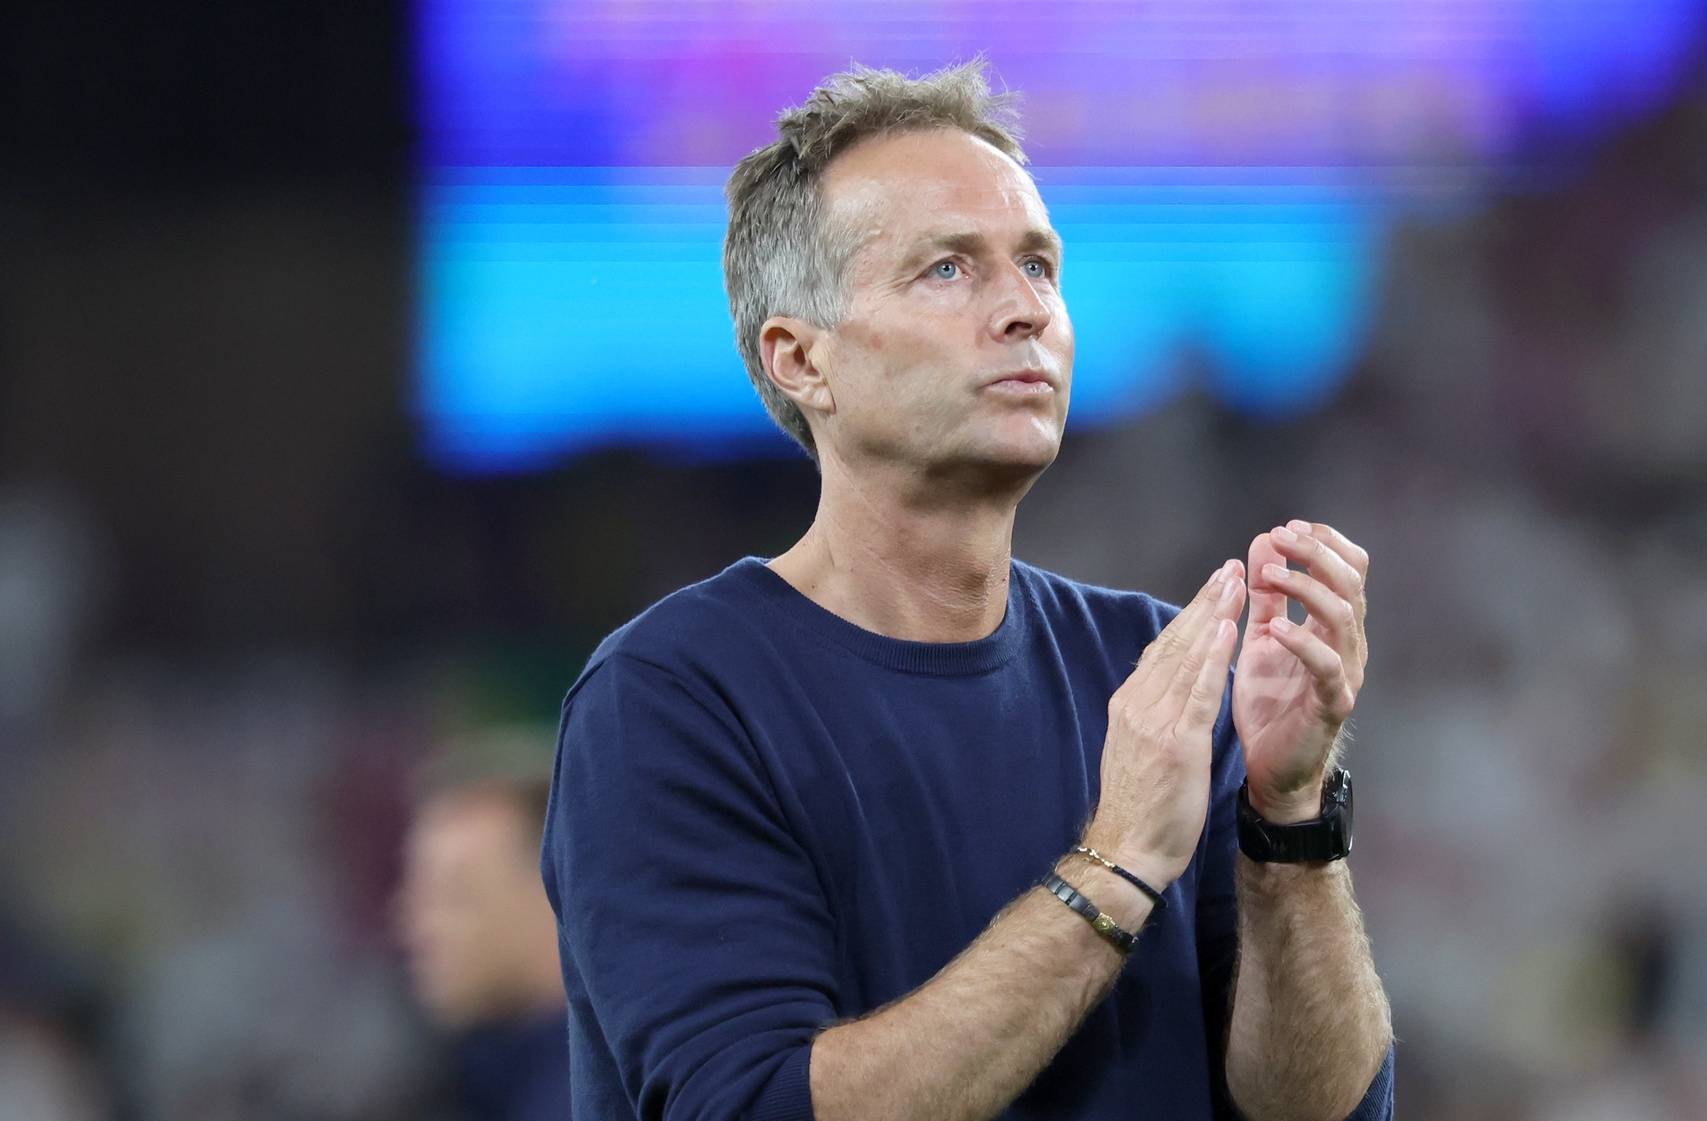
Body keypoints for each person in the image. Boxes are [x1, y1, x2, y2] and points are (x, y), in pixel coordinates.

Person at [542, 61, 1395, 1121]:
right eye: (947, 270)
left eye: (1038, 266)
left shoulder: (1157, 664)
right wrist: (1116, 860)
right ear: (801, 359)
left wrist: (1287, 820)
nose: (1023, 310)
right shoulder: (671, 698)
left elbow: (1323, 1112)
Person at [399, 774, 572, 1121]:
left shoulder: (600, 1096)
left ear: (550, 896)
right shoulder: (492, 1081)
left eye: (452, 895)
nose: (412, 926)